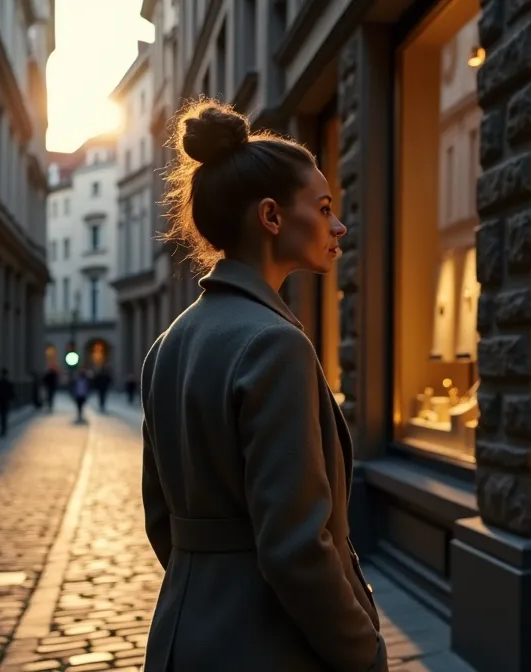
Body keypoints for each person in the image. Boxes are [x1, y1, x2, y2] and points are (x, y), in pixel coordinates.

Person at [140, 99, 385, 672]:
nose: (338, 225)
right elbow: (297, 547)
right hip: (264, 644)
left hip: (181, 633)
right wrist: (363, 650)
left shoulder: (169, 343)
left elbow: (160, 517)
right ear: (271, 217)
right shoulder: (276, 344)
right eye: (324, 208)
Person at [0, 369, 14, 436]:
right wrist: (11, 398)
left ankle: (2, 429)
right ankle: (4, 429)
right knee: (4, 415)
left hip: (0, 401)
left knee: (1, 415)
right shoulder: (8, 383)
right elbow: (11, 392)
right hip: (5, 401)